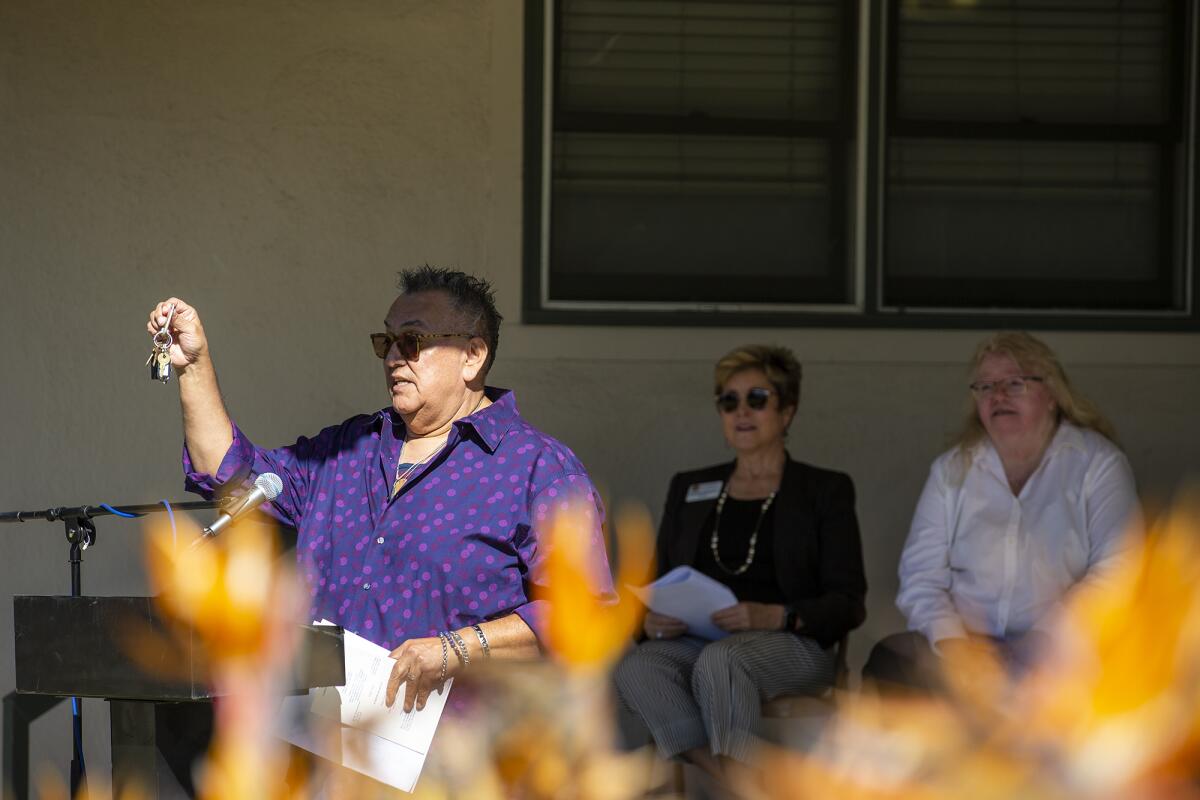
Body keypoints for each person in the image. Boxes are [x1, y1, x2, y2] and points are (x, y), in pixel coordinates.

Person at [147, 267, 613, 713]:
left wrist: (458, 649)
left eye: (411, 342)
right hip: (330, 752)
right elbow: (228, 476)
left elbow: (581, 614)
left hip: (460, 759)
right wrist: (193, 367)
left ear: (473, 355)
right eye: (386, 342)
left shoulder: (539, 470)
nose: (393, 357)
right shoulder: (346, 451)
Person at [613, 345, 867, 778]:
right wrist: (650, 623)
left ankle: (735, 783)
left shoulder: (823, 490)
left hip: (791, 642)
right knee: (638, 666)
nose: (741, 412)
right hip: (698, 641)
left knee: (724, 661)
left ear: (787, 412)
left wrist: (775, 616)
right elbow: (658, 581)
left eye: (758, 399)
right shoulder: (691, 486)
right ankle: (729, 779)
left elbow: (848, 601)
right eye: (729, 401)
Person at [863, 332, 1141, 690]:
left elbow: (1119, 569)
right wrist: (954, 646)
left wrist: (1042, 644)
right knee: (890, 661)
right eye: (985, 387)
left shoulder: (1097, 463)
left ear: (1053, 394)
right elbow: (921, 576)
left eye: (1014, 383)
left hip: (1061, 653)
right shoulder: (952, 470)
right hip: (964, 651)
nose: (997, 396)